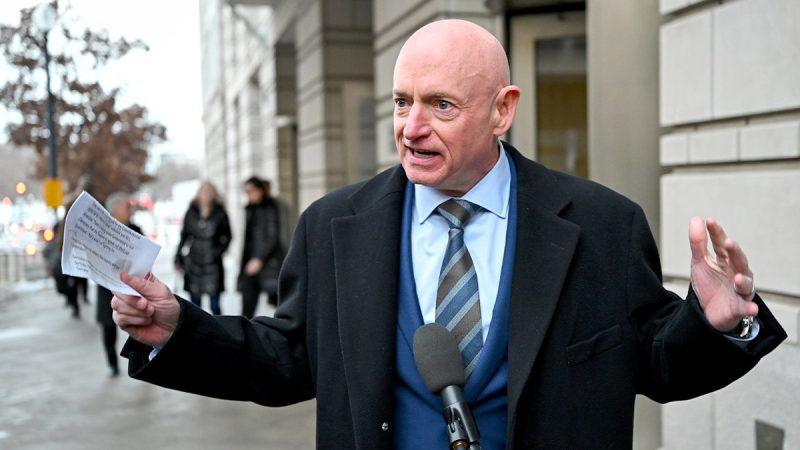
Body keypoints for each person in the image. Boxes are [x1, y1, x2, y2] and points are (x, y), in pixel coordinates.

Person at [111, 20, 786, 449]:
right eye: (402, 102)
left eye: (440, 105)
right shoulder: (334, 228)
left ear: (502, 111)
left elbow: (656, 363)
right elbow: (287, 358)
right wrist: (179, 330)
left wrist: (718, 324)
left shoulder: (602, 226)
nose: (411, 128)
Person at [96, 193, 143, 377]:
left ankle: (140, 363)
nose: (130, 210)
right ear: (114, 211)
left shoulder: (136, 229)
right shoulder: (101, 233)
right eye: (126, 207)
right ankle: (112, 364)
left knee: (138, 326)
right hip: (107, 289)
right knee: (108, 328)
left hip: (133, 288)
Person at [175, 182, 231, 315]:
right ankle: (197, 328)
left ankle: (217, 328)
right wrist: (178, 257)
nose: (206, 195)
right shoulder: (191, 212)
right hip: (194, 262)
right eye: (203, 192)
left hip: (213, 263)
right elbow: (184, 236)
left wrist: (217, 252)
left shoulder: (220, 213)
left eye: (209, 192)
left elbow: (228, 236)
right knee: (195, 306)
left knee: (215, 306)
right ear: (198, 194)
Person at [237, 176, 284, 317]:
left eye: (251, 191)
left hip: (268, 262)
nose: (249, 195)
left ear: (260, 190)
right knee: (247, 308)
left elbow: (272, 237)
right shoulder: (250, 209)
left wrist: (259, 259)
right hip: (251, 262)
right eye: (246, 192)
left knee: (280, 307)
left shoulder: (271, 207)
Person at [43, 219, 82, 318]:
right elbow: (46, 252)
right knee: (61, 289)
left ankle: (75, 307)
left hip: (69, 271)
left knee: (72, 288)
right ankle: (71, 301)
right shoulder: (54, 242)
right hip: (58, 272)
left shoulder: (68, 240)